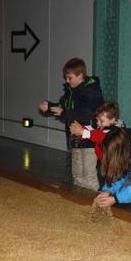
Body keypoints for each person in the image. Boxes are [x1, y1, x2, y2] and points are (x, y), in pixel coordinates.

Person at [39, 57, 104, 191]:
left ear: (80, 75)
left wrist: (63, 113)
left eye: (69, 78)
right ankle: (78, 204)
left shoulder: (92, 92)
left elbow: (87, 114)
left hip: (89, 140)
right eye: (65, 78)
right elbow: (63, 107)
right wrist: (49, 107)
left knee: (89, 175)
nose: (67, 81)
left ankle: (93, 206)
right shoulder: (70, 91)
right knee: (77, 175)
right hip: (74, 138)